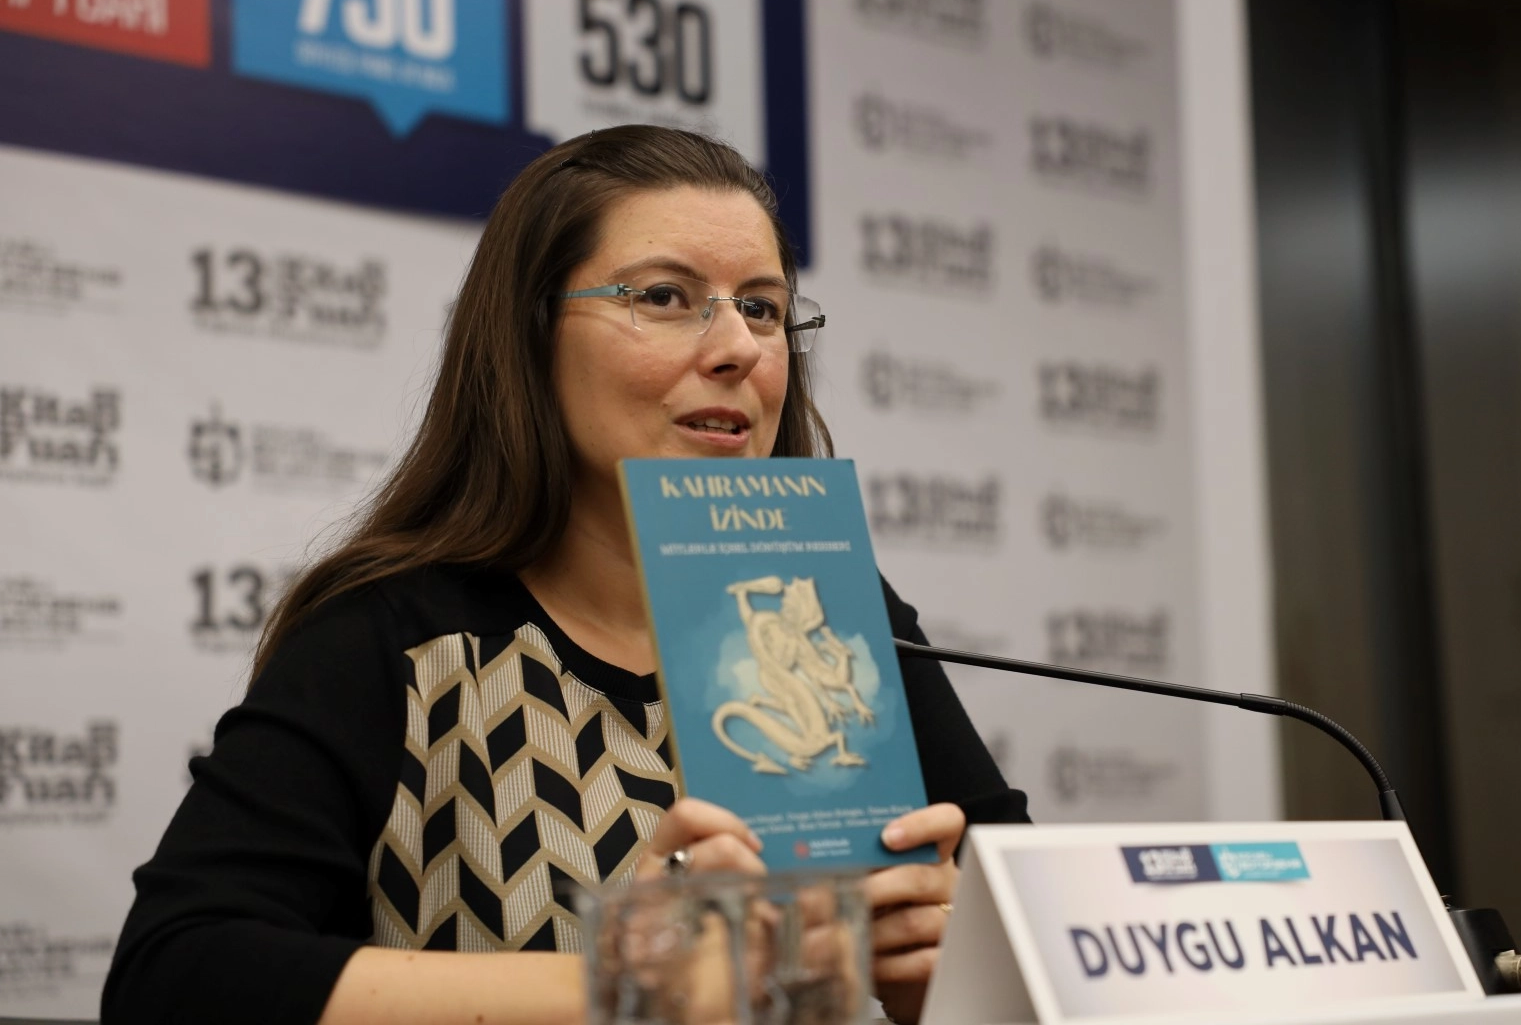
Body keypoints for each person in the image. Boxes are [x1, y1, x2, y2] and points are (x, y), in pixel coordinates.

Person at [102, 125, 1026, 1025]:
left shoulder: (829, 605)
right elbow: (174, 975)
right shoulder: (393, 635)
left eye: (762, 307)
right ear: (532, 333)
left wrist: (951, 988)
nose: (739, 347)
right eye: (664, 296)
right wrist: (625, 990)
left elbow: (1032, 959)